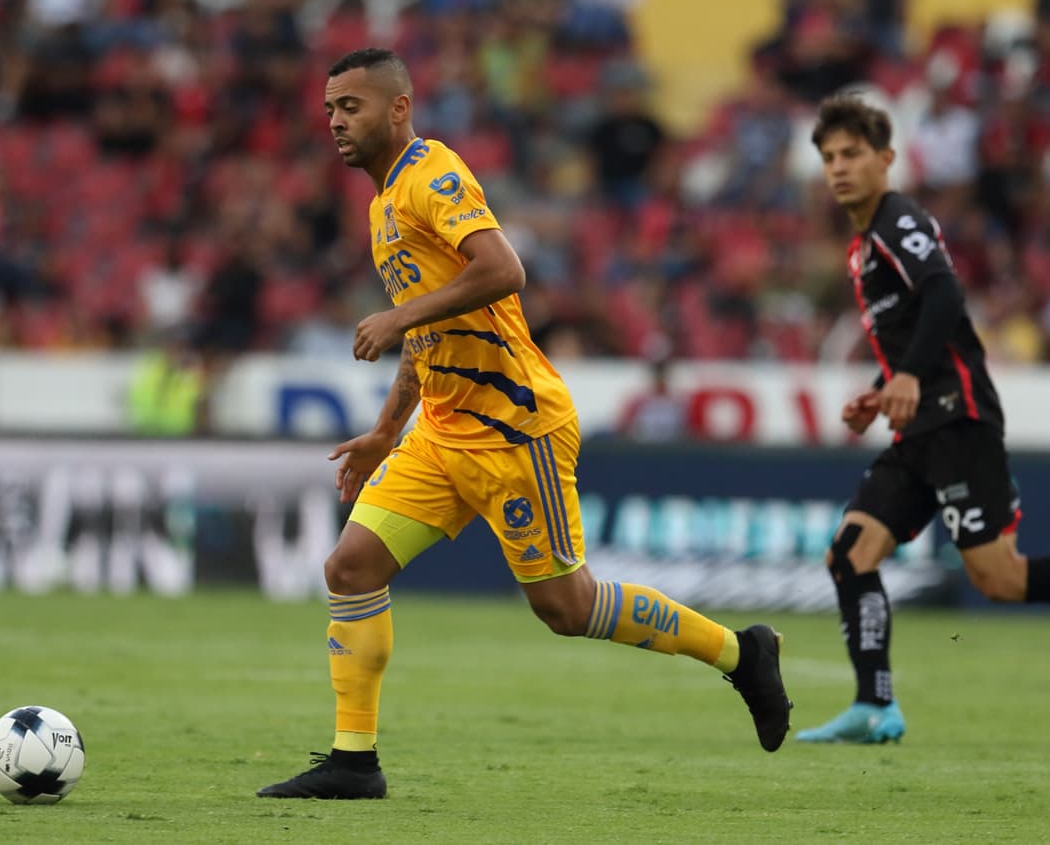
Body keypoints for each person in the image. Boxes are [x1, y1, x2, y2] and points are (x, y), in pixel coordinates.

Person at [257, 48, 794, 800]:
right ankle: (354, 761)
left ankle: (743, 652)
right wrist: (385, 430)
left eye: (351, 106)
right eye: (330, 111)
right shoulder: (383, 206)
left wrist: (398, 313)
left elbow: (505, 269)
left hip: (515, 424)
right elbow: (430, 333)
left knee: (566, 609)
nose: (337, 122)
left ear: (399, 108)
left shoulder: (431, 173)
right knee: (350, 567)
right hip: (443, 427)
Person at [797, 94, 1050, 745]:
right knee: (851, 554)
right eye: (829, 157)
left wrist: (909, 377)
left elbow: (943, 290)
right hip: (917, 425)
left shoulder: (898, 218)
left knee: (998, 577)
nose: (839, 168)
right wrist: (882, 388)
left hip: (959, 417)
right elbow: (918, 327)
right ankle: (874, 705)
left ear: (886, 159)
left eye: (852, 153)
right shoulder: (864, 246)